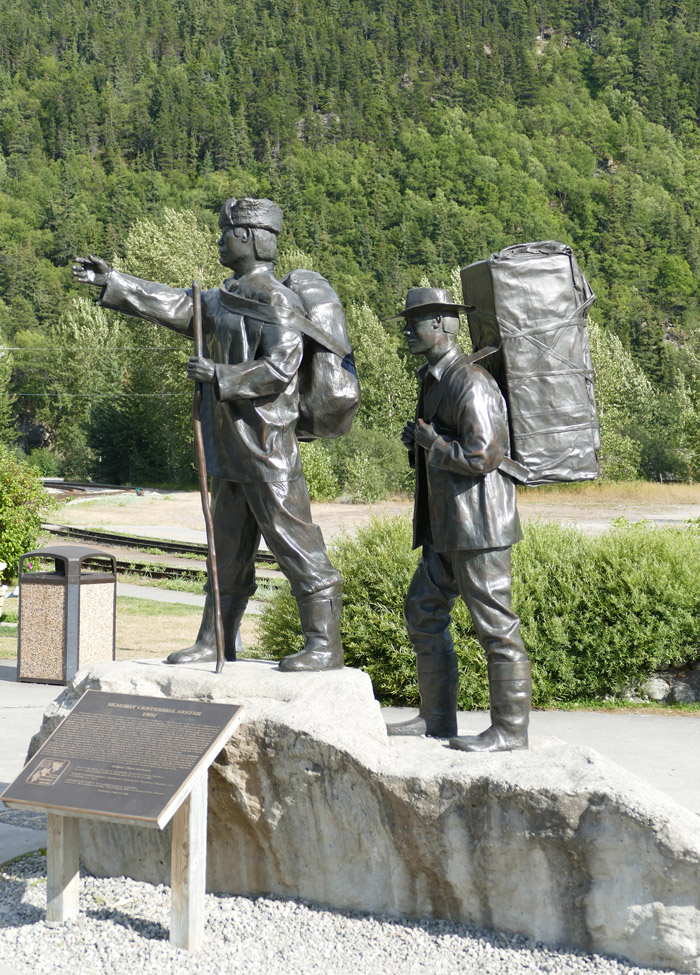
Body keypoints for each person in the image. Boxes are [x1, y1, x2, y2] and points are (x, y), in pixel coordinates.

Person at [72, 198, 342, 672]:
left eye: (225, 232)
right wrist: (114, 280)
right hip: (229, 452)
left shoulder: (276, 299)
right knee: (226, 553)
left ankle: (324, 645)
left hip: (268, 449)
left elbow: (280, 367)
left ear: (249, 237)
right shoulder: (221, 298)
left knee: (297, 545)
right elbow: (174, 303)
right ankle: (215, 640)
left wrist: (219, 374)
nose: (219, 240)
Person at [386, 287, 531, 752]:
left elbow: (484, 456)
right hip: (446, 527)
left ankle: (510, 731)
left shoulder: (471, 381)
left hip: (479, 528)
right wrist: (419, 442)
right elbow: (445, 446)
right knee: (422, 611)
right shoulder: (433, 380)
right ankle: (436, 719)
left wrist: (433, 444)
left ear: (442, 325)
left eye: (416, 322)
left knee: (496, 628)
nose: (408, 331)